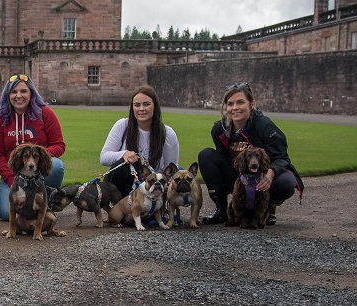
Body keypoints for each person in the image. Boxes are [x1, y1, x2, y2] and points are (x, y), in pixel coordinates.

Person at [198, 83, 303, 226]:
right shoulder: (219, 129)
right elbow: (223, 158)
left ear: (252, 104)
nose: (235, 108)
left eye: (240, 102)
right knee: (206, 156)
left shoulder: (265, 126)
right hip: (239, 176)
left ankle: (267, 209)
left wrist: (270, 173)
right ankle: (222, 209)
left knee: (286, 182)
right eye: (230, 104)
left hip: (262, 177)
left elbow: (282, 158)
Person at [0, 74, 67, 221]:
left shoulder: (45, 113)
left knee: (57, 165)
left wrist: (39, 157)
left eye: (23, 91)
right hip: (14, 172)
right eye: (14, 92)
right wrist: (10, 178)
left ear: (31, 93)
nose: (18, 96)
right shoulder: (1, 119)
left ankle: (46, 204)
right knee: (6, 214)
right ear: (8, 95)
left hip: (39, 171)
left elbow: (59, 145)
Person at [99, 85, 180, 197]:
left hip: (152, 191)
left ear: (155, 106)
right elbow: (104, 158)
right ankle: (122, 210)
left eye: (146, 104)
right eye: (137, 105)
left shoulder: (167, 133)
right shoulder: (122, 125)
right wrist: (124, 154)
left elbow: (171, 170)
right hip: (124, 188)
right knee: (123, 168)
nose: (141, 109)